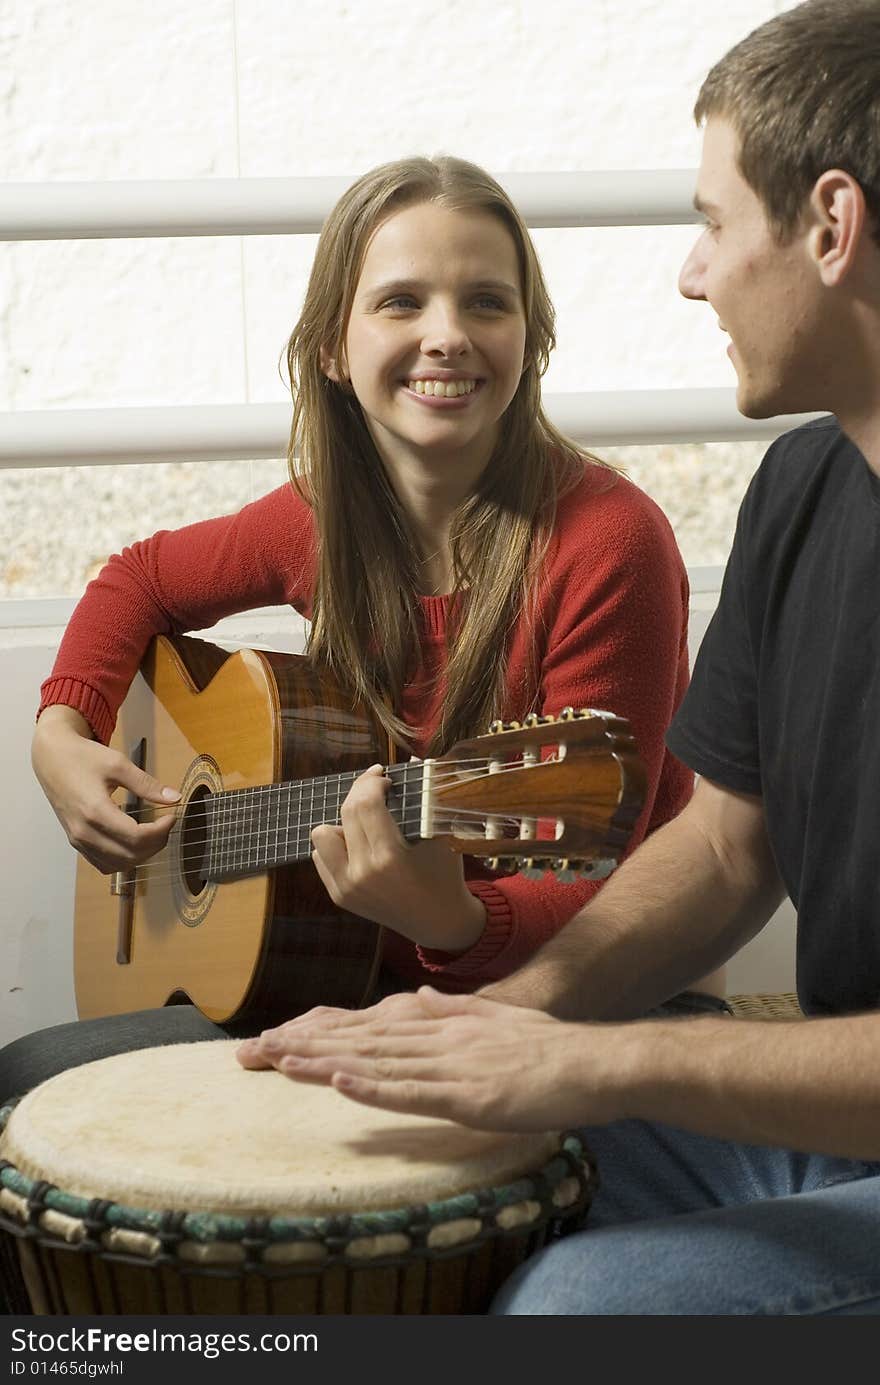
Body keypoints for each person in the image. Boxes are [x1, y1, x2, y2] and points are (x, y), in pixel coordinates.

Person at [237, 0, 880, 1316]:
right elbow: (722, 848)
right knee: (338, 1164)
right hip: (827, 1130)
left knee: (578, 1306)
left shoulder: (607, 534)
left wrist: (600, 1066)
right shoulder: (806, 485)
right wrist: (507, 1016)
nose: (690, 277)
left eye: (710, 224)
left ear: (830, 225)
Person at [6, 155, 716, 1101]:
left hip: (582, 1001)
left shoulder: (607, 543)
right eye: (401, 302)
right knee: (25, 1084)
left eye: (487, 303)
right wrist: (61, 732)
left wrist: (454, 918)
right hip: (345, 982)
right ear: (334, 348)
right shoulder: (321, 519)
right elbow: (139, 579)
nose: (447, 336)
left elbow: (597, 883)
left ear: (532, 338)